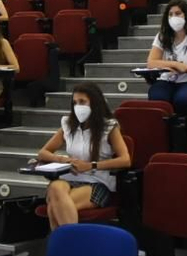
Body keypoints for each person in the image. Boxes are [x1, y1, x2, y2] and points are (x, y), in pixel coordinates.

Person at [34, 83, 131, 230]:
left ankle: (63, 248)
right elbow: (43, 152)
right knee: (55, 189)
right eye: (75, 103)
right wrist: (64, 160)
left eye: (82, 102)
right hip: (70, 178)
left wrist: (91, 165)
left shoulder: (109, 127)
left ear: (94, 102)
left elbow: (125, 160)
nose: (78, 106)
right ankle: (72, 248)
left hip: (96, 181)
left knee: (55, 205)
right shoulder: (68, 124)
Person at [145, 0, 187, 115]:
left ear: (186, 15)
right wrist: (175, 64)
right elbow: (151, 62)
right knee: (157, 96)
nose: (173, 17)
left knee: (183, 100)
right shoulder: (162, 35)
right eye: (170, 15)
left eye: (177, 13)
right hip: (167, 80)